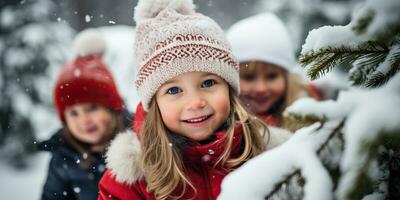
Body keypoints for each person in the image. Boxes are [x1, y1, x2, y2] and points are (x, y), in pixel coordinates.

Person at [98, 0, 291, 199]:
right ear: (154, 104)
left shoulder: (272, 154)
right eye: (174, 90)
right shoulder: (129, 182)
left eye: (208, 83)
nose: (195, 102)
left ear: (229, 88)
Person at [38, 29, 132, 200]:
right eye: (74, 113)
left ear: (112, 108)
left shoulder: (138, 141)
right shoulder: (63, 158)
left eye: (92, 108)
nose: (84, 120)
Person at [227, 13, 321, 128]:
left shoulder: (314, 118)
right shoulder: (217, 130)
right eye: (248, 77)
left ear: (287, 78)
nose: (260, 88)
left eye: (271, 76)